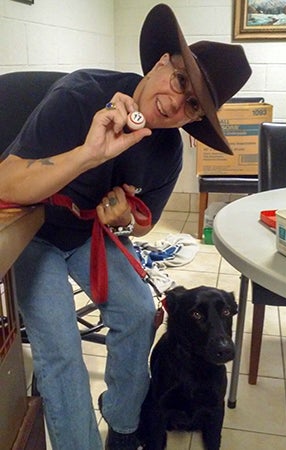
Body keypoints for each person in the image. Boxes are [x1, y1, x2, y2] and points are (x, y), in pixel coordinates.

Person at [0, 4, 251, 450]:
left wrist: (122, 222)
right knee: (61, 351)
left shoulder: (167, 151)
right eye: (180, 83)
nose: (176, 104)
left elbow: (139, 225)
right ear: (161, 63)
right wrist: (90, 154)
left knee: (138, 312)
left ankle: (123, 424)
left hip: (84, 239)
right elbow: (8, 182)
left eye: (193, 106)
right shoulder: (80, 95)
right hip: (30, 231)